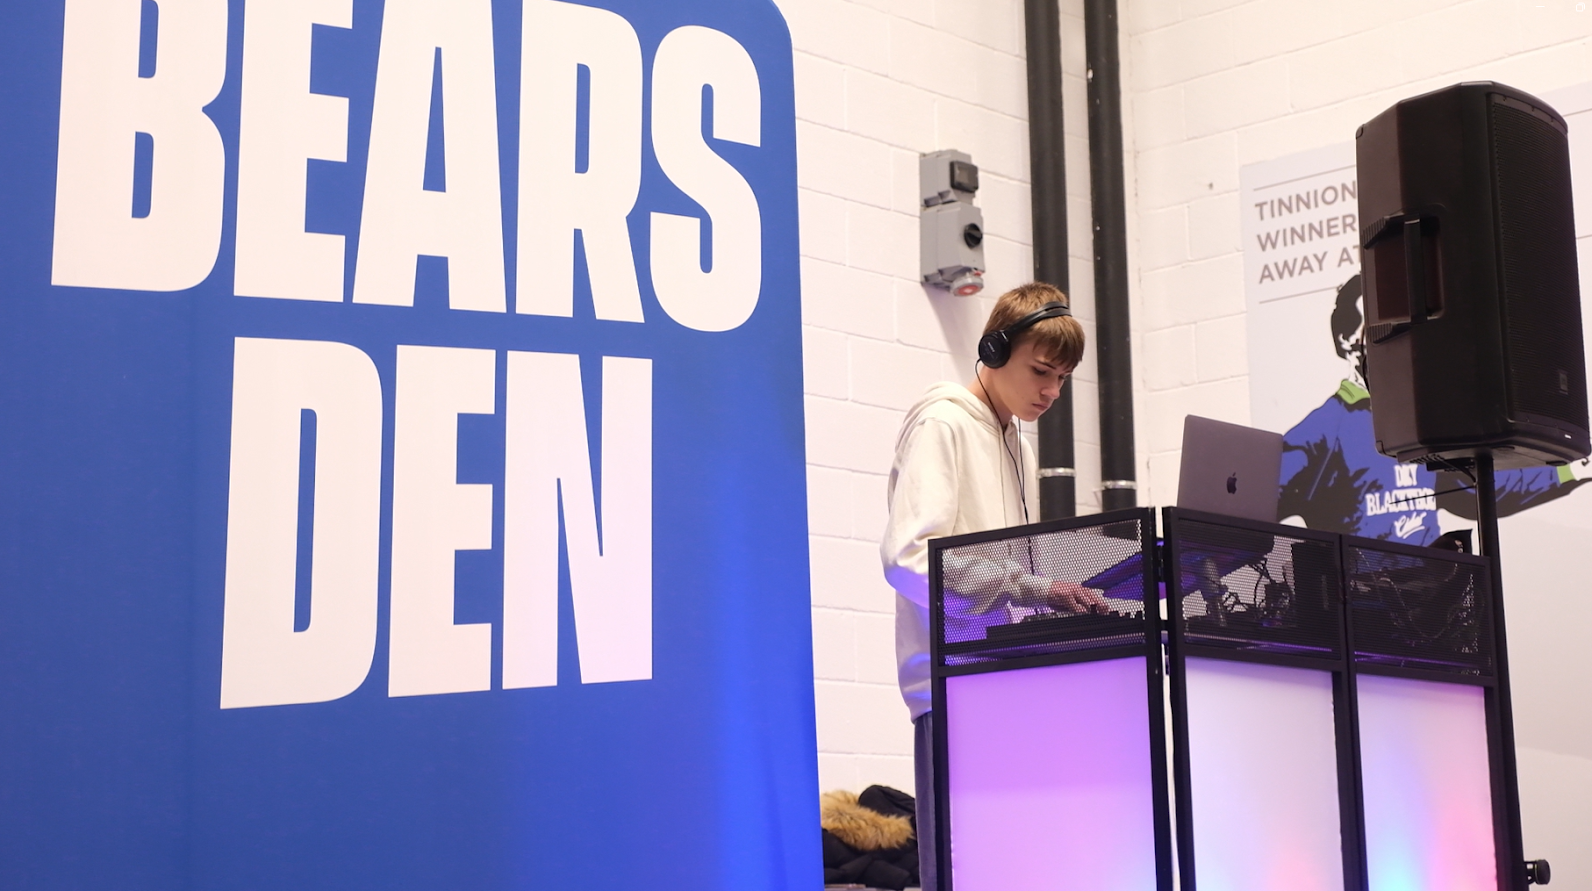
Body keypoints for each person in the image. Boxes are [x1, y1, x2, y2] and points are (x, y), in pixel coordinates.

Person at [879, 282, 1104, 891]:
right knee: (964, 871)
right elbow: (907, 558)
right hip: (953, 690)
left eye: (1062, 378)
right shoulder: (942, 424)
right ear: (995, 350)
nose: (1051, 392)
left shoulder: (1016, 448)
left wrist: (1053, 597)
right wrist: (1030, 589)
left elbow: (1012, 578)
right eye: (1040, 371)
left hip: (1006, 682)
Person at [1280, 275, 1590, 545]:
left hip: (1431, 588)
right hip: (1363, 593)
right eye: (1377, 328)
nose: (1393, 338)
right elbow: (1259, 505)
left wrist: (1572, 470)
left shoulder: (1421, 418)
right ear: (1346, 340)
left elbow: (1480, 485)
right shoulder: (1320, 432)